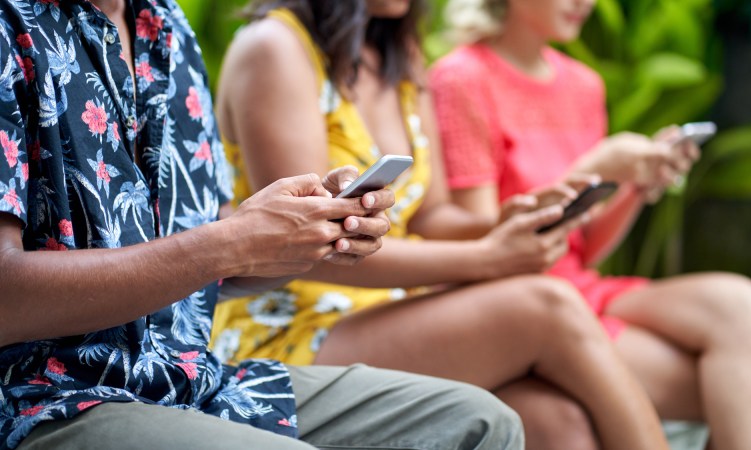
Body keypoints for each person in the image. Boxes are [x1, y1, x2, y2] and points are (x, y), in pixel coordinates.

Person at [0, 0, 529, 449]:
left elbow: (199, 244)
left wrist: (310, 234)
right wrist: (228, 244)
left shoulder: (163, 26)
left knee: (482, 423)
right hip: (45, 398)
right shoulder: (11, 25)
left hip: (192, 378)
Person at [211, 1, 670, 448]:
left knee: (559, 424)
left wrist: (502, 224)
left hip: (391, 309)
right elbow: (305, 247)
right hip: (286, 324)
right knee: (549, 304)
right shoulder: (276, 46)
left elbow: (432, 218)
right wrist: (485, 259)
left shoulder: (399, 54)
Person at [428, 0, 751, 449]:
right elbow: (481, 238)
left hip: (580, 286)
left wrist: (635, 184)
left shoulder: (583, 85)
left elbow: (587, 246)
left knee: (738, 301)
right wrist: (595, 165)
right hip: (511, 302)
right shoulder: (460, 78)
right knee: (737, 388)